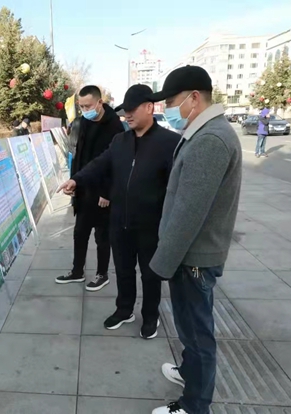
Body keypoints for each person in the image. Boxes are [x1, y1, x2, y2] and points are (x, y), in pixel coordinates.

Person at [146, 66, 242, 414]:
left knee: (198, 334)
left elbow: (189, 212)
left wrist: (162, 263)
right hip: (191, 255)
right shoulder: (202, 132)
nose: (168, 109)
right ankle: (190, 373)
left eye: (171, 102)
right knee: (188, 327)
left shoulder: (210, 140)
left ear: (194, 98)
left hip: (194, 257)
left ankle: (194, 406)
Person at [58, 84, 181, 337]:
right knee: (124, 271)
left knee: (150, 274)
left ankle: (150, 316)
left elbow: (177, 188)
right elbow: (99, 164)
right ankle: (124, 310)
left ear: (149, 107)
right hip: (120, 222)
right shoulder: (120, 141)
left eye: (133, 109)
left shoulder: (170, 143)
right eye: (126, 110)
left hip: (151, 226)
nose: (128, 115)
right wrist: (76, 180)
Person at [55, 85, 125, 291]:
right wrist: (74, 181)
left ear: (99, 103)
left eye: (88, 106)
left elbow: (116, 163)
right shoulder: (84, 122)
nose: (85, 110)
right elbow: (79, 155)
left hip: (102, 192)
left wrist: (107, 192)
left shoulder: (115, 126)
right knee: (80, 232)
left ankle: (102, 274)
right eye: (81, 106)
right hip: (84, 187)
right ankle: (77, 271)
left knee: (102, 236)